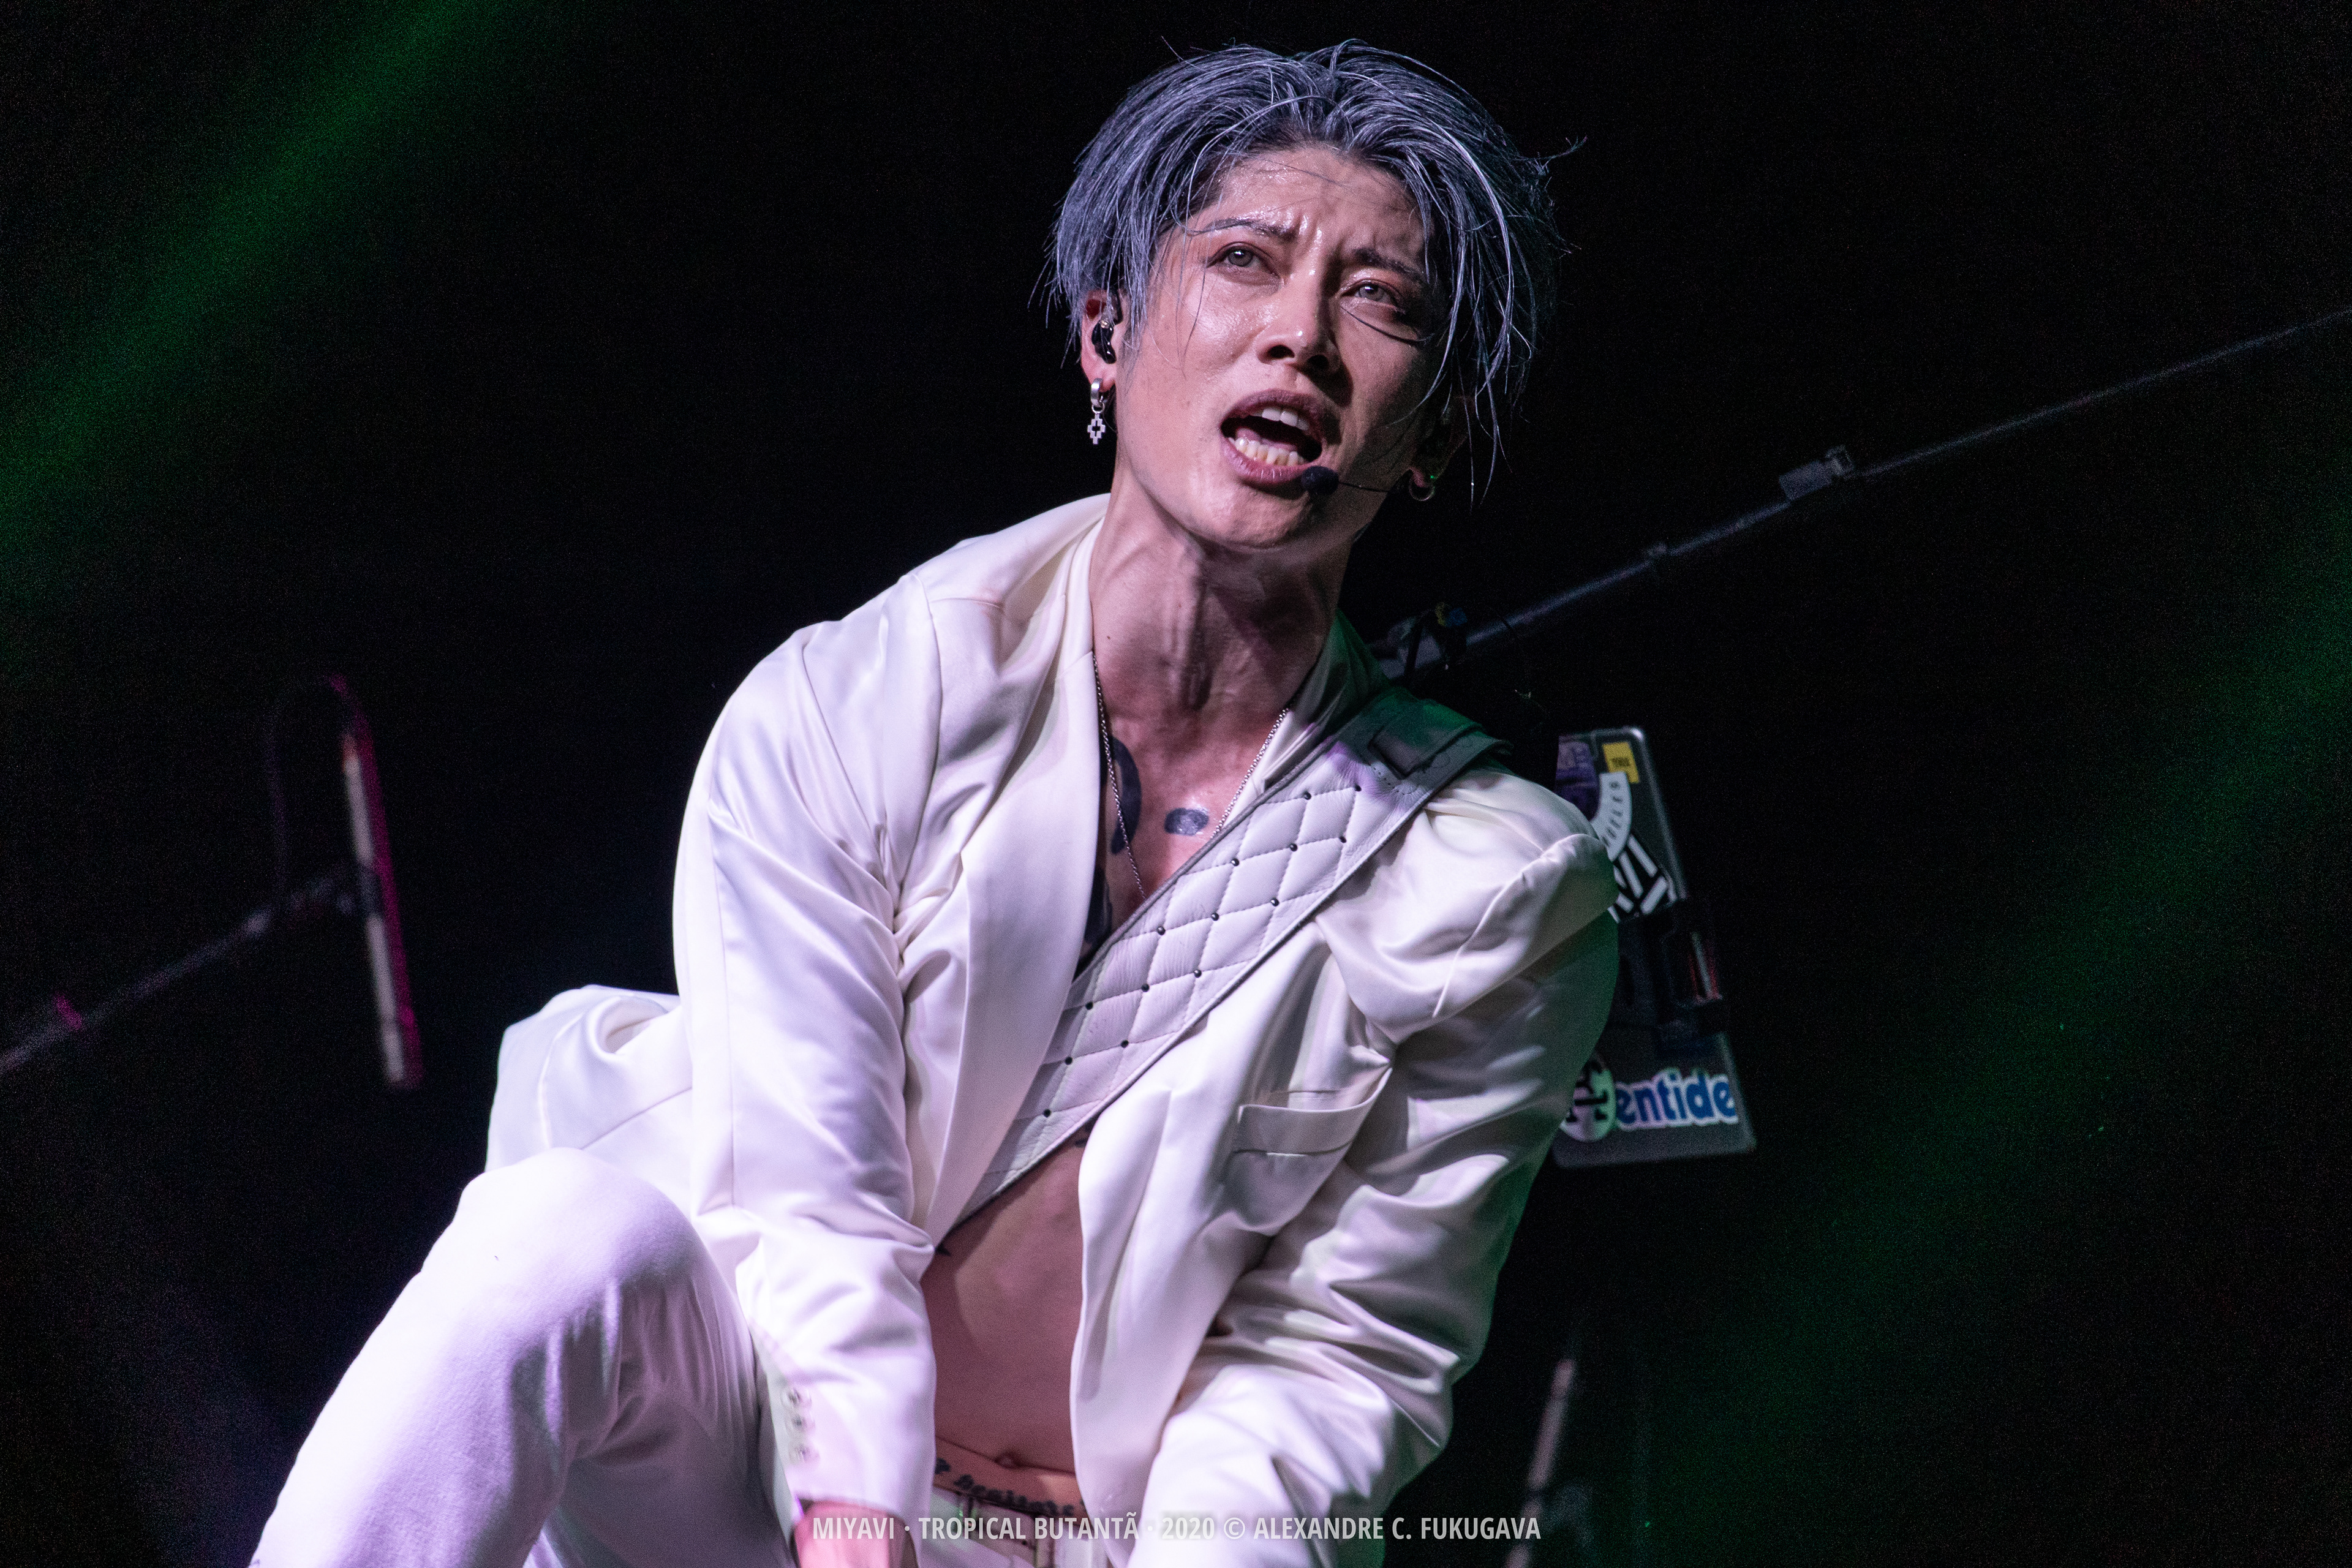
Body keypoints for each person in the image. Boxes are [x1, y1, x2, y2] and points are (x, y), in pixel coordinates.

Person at [254, 41, 1619, 1568]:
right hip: (762, 1444)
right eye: (1244, 260)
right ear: (1108, 333)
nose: (1298, 335)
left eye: (1379, 301)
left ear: (1433, 433)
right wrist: (857, 1500)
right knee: (555, 1232)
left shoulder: (1496, 891)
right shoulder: (860, 702)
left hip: (1075, 1541)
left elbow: (1335, 1356)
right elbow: (809, 1178)